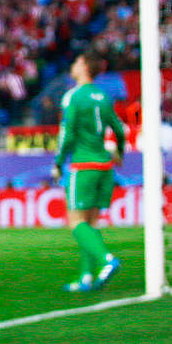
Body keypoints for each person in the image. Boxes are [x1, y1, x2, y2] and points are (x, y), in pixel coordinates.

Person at [50, 51, 125, 291]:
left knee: (75, 222)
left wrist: (58, 162)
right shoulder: (104, 96)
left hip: (83, 165)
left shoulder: (73, 96)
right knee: (90, 224)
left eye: (75, 61)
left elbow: (67, 133)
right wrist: (120, 154)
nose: (72, 65)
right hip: (105, 166)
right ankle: (86, 278)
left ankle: (106, 260)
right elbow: (119, 130)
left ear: (83, 66)